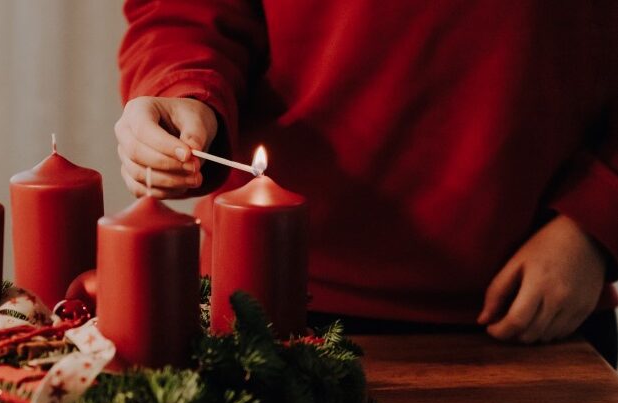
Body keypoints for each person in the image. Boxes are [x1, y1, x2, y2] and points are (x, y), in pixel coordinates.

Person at [113, 0, 618, 364]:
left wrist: (598, 216)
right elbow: (185, 13)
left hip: (541, 303)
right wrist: (182, 91)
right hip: (267, 304)